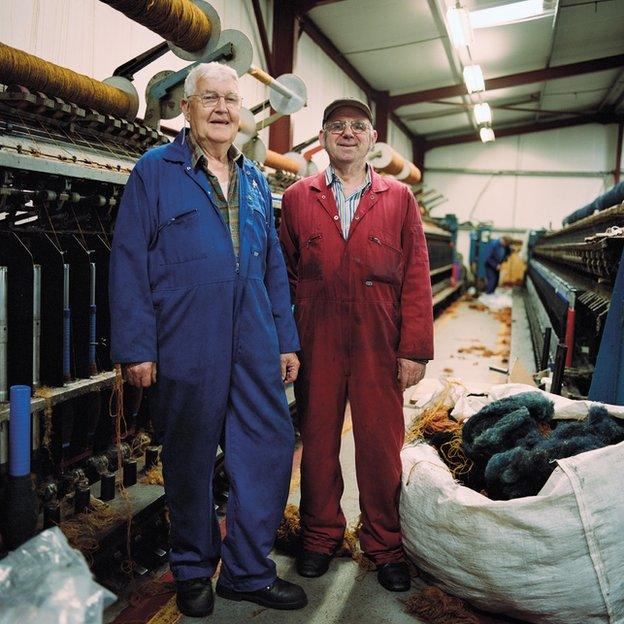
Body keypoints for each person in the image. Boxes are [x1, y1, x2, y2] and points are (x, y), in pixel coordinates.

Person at [109, 62, 307, 618]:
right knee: (190, 460)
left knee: (268, 449)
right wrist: (135, 346)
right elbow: (127, 261)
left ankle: (246, 570)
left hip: (254, 336)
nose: (222, 109)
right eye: (209, 98)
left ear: (241, 112)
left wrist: (285, 340)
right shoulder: (156, 170)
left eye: (230, 99)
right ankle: (194, 569)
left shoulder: (251, 178)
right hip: (184, 337)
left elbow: (272, 267)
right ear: (188, 108)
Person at [279, 98, 434, 592]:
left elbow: (416, 276)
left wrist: (414, 349)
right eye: (337, 126)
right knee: (318, 442)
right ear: (322, 138)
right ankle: (320, 538)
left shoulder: (398, 198)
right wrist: (286, 343)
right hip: (316, 337)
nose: (348, 133)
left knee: (380, 446)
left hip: (378, 342)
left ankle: (384, 545)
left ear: (372, 139)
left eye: (358, 127)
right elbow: (281, 276)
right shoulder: (299, 197)